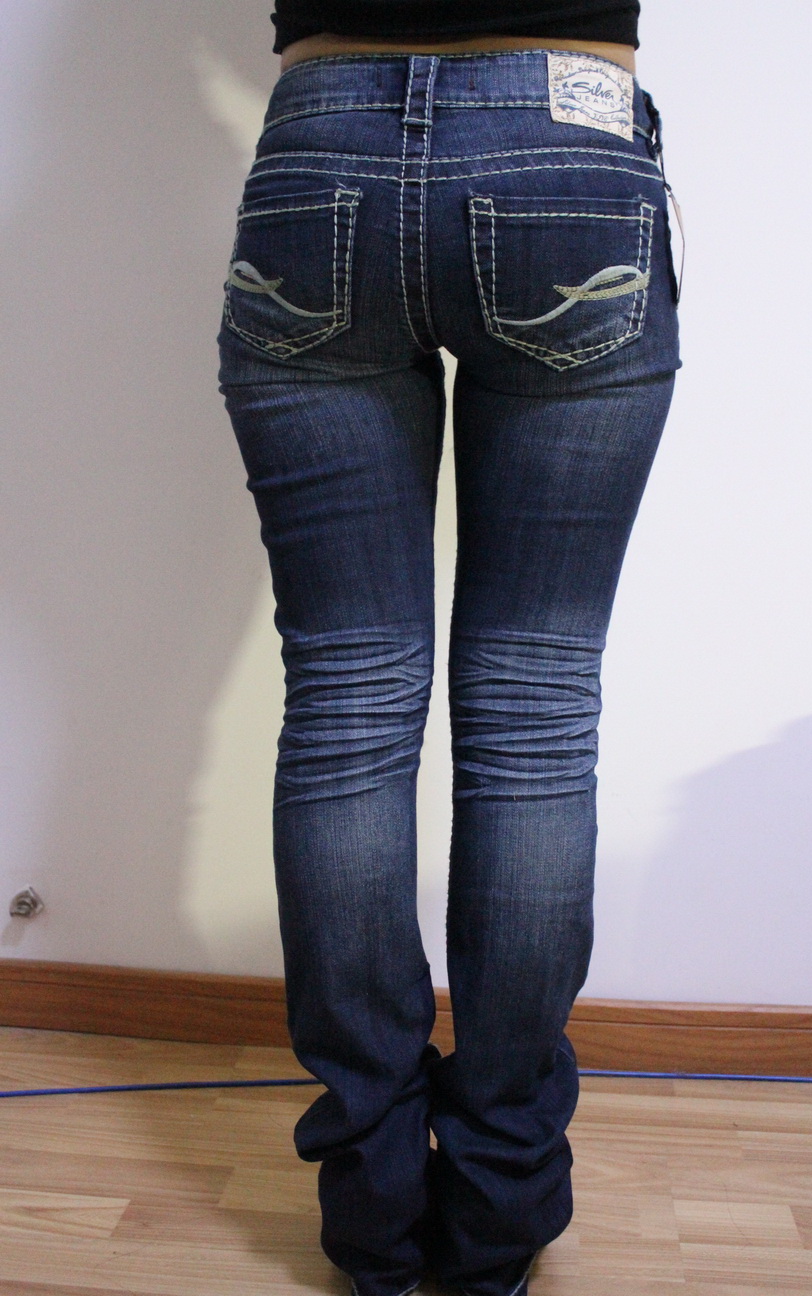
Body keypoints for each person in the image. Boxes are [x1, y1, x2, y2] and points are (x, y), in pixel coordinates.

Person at [217, 4, 680, 1295]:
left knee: (347, 703)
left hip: (321, 147)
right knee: (535, 706)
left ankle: (374, 1210)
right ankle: (493, 1217)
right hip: (568, 141)